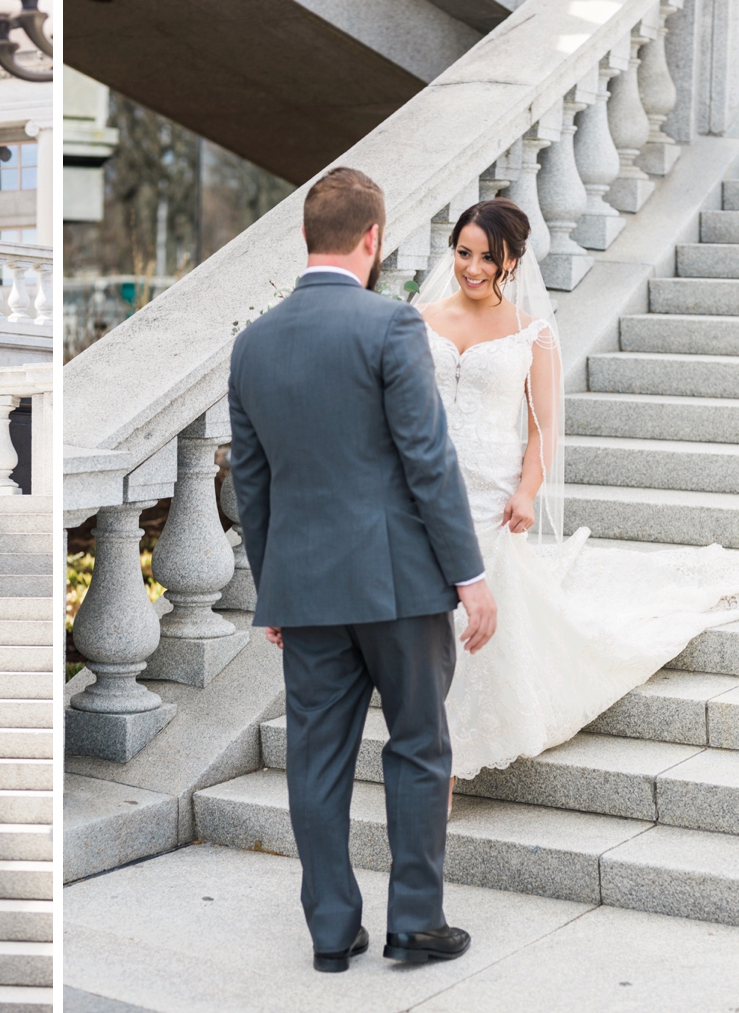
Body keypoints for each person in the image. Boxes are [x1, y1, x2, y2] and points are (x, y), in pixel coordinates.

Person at [227, 166, 495, 973]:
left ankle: (331, 927)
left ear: (307, 237)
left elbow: (251, 478)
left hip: (304, 589)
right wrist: (470, 575)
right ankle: (414, 920)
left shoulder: (252, 343)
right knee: (417, 745)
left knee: (316, 757)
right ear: (372, 238)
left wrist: (272, 585)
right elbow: (427, 458)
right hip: (400, 584)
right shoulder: (391, 326)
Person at [414, 198, 739, 791]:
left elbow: (543, 428)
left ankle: (445, 766)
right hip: (424, 491)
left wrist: (527, 491)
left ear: (512, 260)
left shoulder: (531, 334)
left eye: (489, 257)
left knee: (469, 613)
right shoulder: (421, 318)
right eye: (464, 252)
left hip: (490, 493)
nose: (473, 267)